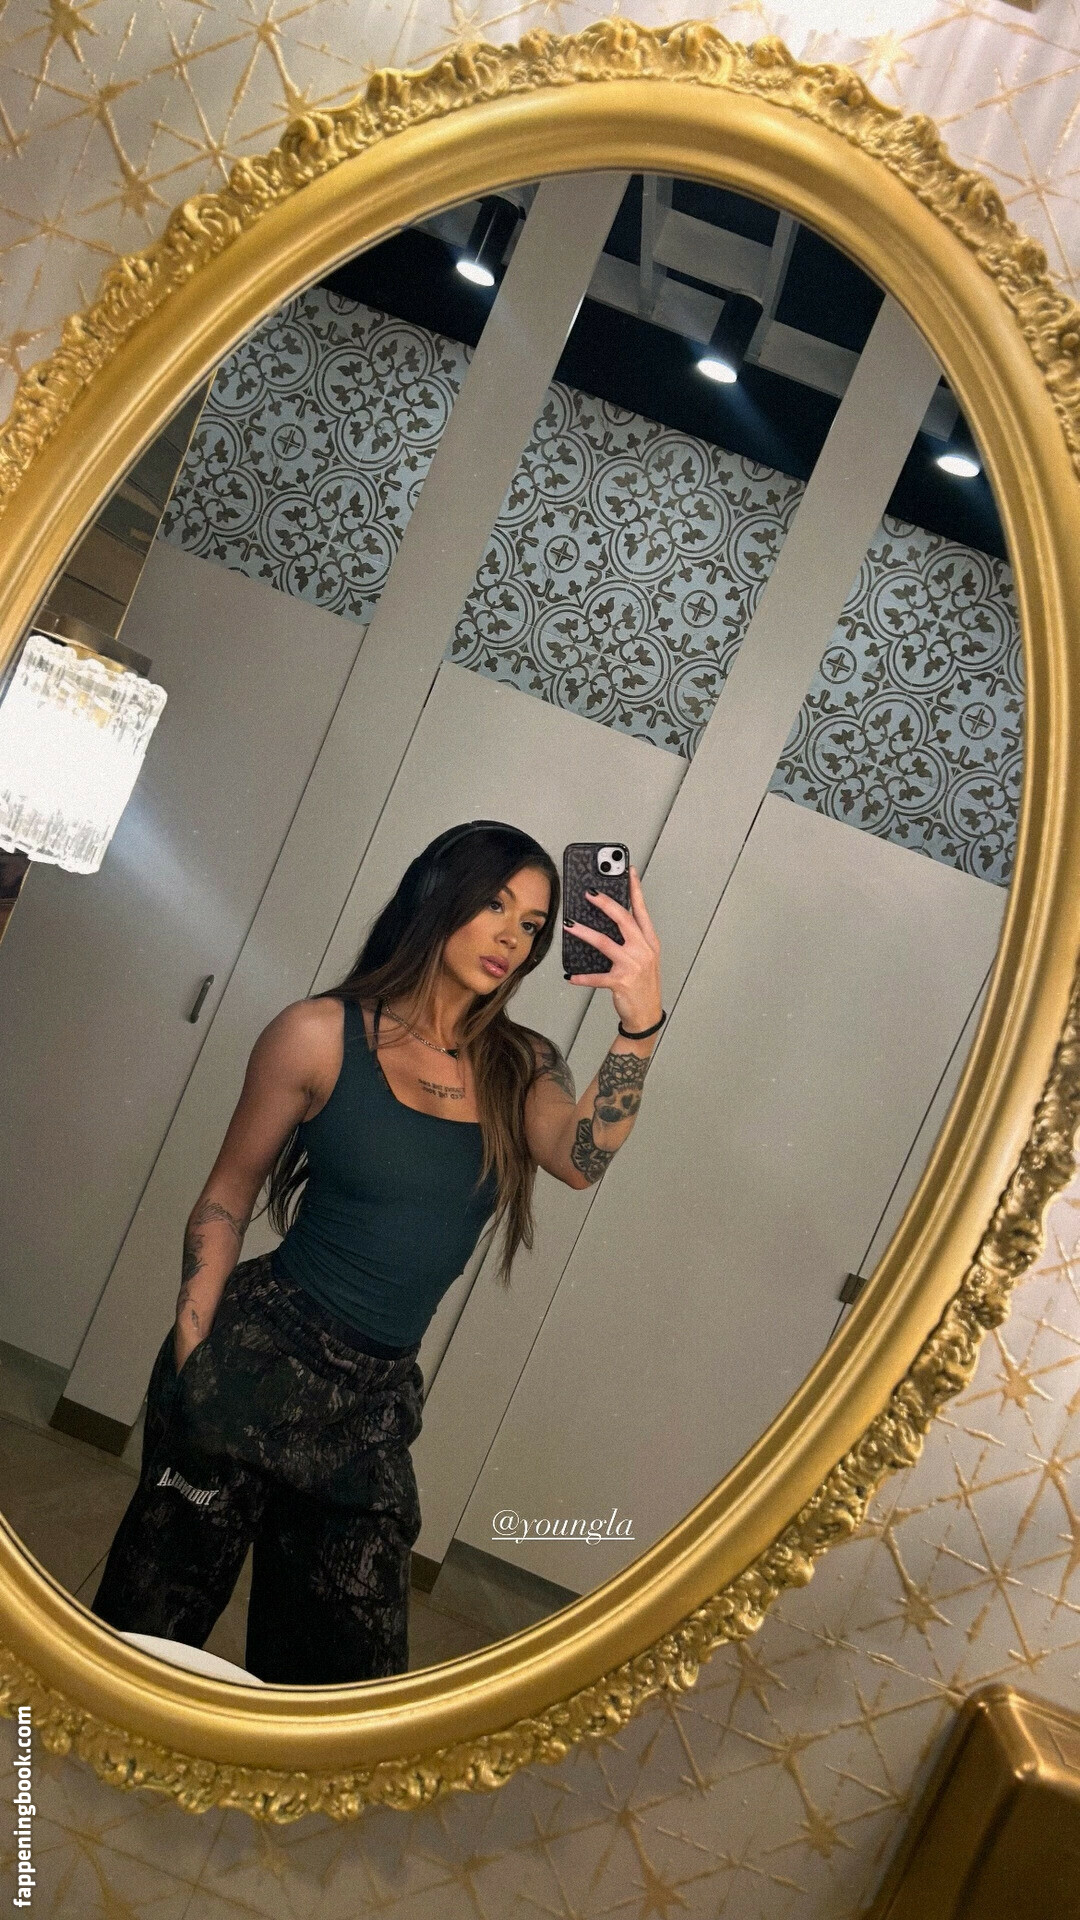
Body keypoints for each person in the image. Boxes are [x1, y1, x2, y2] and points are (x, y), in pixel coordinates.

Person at [92, 820, 664, 1684]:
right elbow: (227, 1195)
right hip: (253, 1361)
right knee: (147, 1638)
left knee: (344, 1687)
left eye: (534, 924)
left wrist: (639, 1022)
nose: (512, 937)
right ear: (436, 896)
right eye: (494, 905)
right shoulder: (318, 1034)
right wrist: (193, 1356)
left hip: (372, 1404)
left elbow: (579, 1159)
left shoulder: (523, 1063)